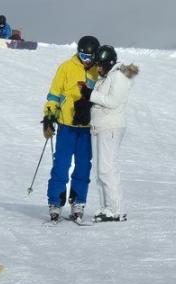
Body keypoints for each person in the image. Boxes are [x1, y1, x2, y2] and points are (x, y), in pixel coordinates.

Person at [42, 35, 100, 222]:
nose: (87, 61)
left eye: (90, 57)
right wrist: (49, 117)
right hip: (67, 125)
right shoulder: (66, 67)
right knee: (61, 164)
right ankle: (55, 202)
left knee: (83, 165)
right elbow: (54, 94)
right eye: (83, 56)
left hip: (86, 127)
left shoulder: (98, 72)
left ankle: (78, 201)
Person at [79, 45, 138, 222]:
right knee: (100, 170)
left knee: (107, 168)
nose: (97, 68)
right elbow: (101, 99)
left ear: (108, 62)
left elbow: (113, 101)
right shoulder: (107, 76)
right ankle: (106, 207)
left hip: (111, 127)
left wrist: (90, 95)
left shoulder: (118, 76)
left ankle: (117, 209)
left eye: (100, 65)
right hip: (100, 127)